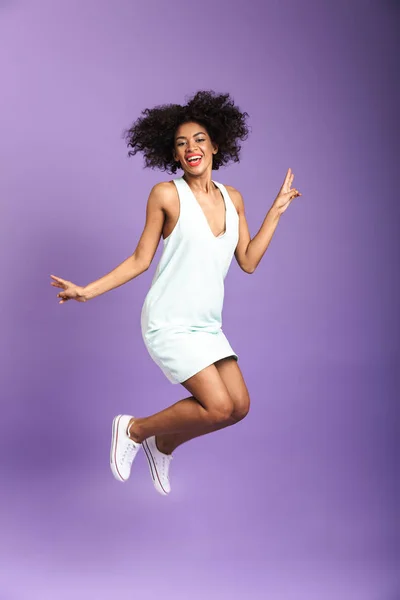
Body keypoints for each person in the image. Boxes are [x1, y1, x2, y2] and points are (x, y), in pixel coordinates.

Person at [50, 90, 301, 496]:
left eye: (199, 139)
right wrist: (87, 292)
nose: (191, 148)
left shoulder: (233, 198)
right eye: (182, 143)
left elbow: (249, 260)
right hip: (169, 320)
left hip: (206, 324)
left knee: (238, 408)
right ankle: (134, 429)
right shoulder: (166, 194)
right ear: (174, 154)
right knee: (216, 405)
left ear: (216, 144)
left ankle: (163, 445)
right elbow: (139, 259)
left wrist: (276, 211)